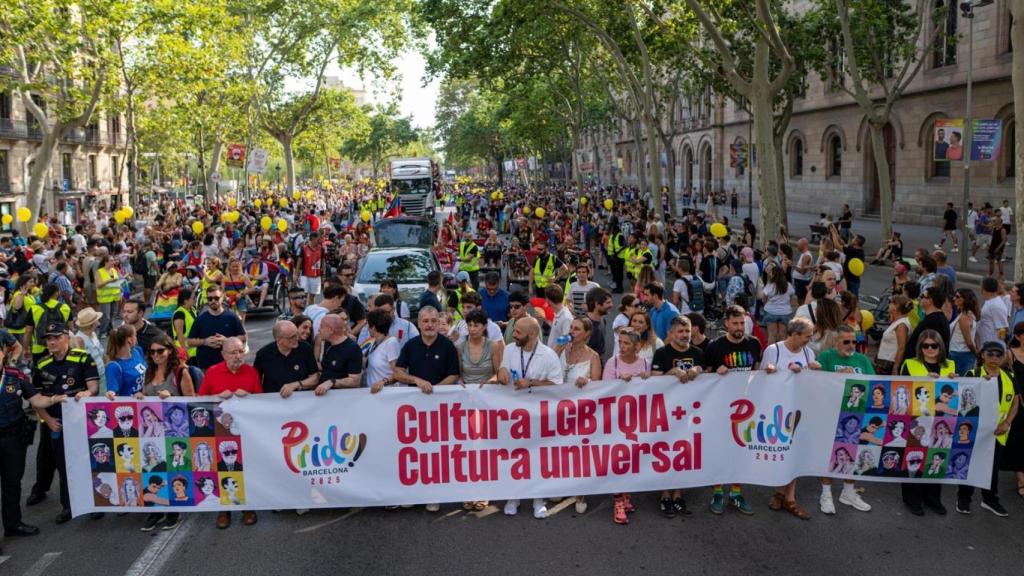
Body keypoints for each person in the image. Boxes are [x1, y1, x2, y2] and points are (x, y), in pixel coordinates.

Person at [29, 322, 99, 523]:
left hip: (81, 421)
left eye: (56, 337)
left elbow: (93, 387)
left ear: (67, 337)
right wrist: (48, 420)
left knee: (87, 462)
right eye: (49, 339)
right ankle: (68, 506)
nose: (52, 342)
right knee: (63, 465)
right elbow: (35, 399)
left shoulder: (82, 358)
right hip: (56, 423)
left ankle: (94, 504)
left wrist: (86, 392)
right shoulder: (41, 365)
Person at [0, 334, 64, 548]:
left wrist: (56, 398)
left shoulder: (15, 375)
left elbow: (36, 399)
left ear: (5, 353)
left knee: (12, 483)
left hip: (12, 438)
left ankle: (13, 524)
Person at [498, 316, 562, 519]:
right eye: (514, 330)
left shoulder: (549, 355)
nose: (513, 335)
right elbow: (503, 368)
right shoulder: (509, 349)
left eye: (518, 332)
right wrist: (501, 372)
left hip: (539, 415)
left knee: (537, 457)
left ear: (532, 334)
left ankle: (538, 499)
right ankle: (513, 496)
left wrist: (532, 383)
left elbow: (558, 386)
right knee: (514, 456)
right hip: (513, 414)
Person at [196, 337, 259, 529]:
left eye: (241, 352)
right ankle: (224, 510)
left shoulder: (252, 372)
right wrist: (216, 397)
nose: (238, 356)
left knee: (245, 469)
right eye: (233, 353)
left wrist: (249, 398)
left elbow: (263, 403)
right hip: (219, 432)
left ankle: (247, 507)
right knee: (222, 470)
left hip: (245, 432)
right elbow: (199, 402)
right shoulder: (213, 372)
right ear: (223, 355)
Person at [704, 305, 761, 516]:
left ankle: (736, 493)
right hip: (720, 409)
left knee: (741, 450)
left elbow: (756, 370)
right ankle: (717, 491)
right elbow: (704, 378)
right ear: (726, 323)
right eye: (735, 323)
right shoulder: (714, 346)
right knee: (719, 450)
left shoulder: (754, 344)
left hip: (746, 409)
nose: (739, 327)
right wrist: (714, 374)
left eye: (742, 323)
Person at [761, 318, 818, 520]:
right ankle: (778, 491)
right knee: (780, 451)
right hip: (777, 411)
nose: (809, 341)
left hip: (800, 411)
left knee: (794, 453)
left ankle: (790, 498)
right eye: (807, 336)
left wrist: (814, 372)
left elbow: (811, 382)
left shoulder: (808, 353)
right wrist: (771, 371)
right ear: (794, 334)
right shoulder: (773, 350)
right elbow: (762, 377)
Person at [815, 325, 874, 514]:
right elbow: (815, 384)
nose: (850, 346)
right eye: (846, 342)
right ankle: (826, 494)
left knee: (852, 454)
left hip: (856, 416)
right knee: (829, 455)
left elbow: (875, 385)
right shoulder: (826, 357)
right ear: (836, 342)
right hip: (830, 414)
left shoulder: (863, 360)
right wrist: (836, 377)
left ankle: (848, 492)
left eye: (853, 342)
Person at [649, 315, 702, 517]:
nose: (684, 335)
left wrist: (699, 369)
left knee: (684, 454)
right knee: (664, 453)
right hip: (666, 413)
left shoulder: (698, 353)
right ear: (671, 333)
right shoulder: (662, 353)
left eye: (687, 331)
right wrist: (671, 372)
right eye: (680, 331)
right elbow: (654, 381)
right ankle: (664, 494)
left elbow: (710, 379)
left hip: (690, 413)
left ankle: (678, 493)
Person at [899, 329, 956, 516]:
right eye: (926, 345)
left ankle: (933, 499)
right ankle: (912, 499)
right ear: (920, 347)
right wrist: (923, 381)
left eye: (934, 345)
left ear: (941, 346)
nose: (930, 349)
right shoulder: (909, 364)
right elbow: (902, 390)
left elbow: (959, 391)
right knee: (914, 458)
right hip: (918, 421)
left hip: (941, 422)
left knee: (935, 459)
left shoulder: (951, 366)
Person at [958, 341, 1018, 516]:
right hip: (974, 431)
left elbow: (1015, 402)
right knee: (970, 465)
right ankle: (963, 499)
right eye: (990, 354)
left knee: (992, 469)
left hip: (998, 432)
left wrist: (1007, 423)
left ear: (1004, 357)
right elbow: (962, 399)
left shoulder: (1009, 377)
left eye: (998, 355)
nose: (994, 358)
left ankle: (989, 500)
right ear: (982, 355)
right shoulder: (973, 373)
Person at [187, 286, 247, 371]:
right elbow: (189, 341)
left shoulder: (232, 317)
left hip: (228, 365)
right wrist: (205, 341)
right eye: (210, 299)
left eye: (216, 298)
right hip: (206, 367)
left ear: (222, 297)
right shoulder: (200, 319)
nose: (213, 301)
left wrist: (227, 340)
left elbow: (243, 337)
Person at [254, 320, 320, 396]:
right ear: (278, 339)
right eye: (292, 337)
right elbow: (255, 380)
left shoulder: (305, 349)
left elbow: (315, 378)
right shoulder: (263, 354)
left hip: (300, 398)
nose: (296, 339)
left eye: (296, 335)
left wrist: (296, 385)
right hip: (273, 400)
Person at [25, 283, 72, 361]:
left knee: (40, 370)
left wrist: (26, 348)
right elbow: (70, 329)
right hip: (61, 347)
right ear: (56, 293)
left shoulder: (34, 308)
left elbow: (28, 331)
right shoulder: (65, 307)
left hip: (39, 348)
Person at [316, 314, 363, 391]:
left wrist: (332, 382)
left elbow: (355, 381)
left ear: (331, 330)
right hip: (323, 394)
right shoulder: (327, 343)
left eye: (321, 326)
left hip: (340, 397)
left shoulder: (352, 349)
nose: (319, 330)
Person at [103, 325, 146, 399]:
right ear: (129, 340)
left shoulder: (137, 351)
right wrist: (110, 394)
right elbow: (113, 393)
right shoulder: (114, 367)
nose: (136, 338)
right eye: (135, 335)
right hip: (130, 407)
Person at [71, 307, 106, 393]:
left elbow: (101, 352)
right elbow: (80, 365)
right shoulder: (79, 339)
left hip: (102, 374)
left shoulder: (93, 334)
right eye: (96, 320)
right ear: (91, 324)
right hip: (93, 379)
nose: (98, 322)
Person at [906, 287, 950, 353]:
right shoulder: (935, 318)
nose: (920, 298)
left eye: (922, 296)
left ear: (930, 301)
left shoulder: (933, 321)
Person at [365, 309, 401, 393]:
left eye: (367, 324)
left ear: (373, 327)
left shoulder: (391, 343)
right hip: (372, 394)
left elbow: (398, 373)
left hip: (386, 394)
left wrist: (383, 382)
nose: (366, 327)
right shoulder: (373, 342)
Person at [977, 277, 1008, 346]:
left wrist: (998, 346)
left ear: (983, 289)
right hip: (986, 345)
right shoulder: (990, 302)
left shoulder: (996, 305)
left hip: (993, 348)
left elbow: (1002, 328)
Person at [297, 231, 323, 306]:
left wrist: (323, 274)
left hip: (316, 276)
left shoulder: (321, 249)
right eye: (318, 239)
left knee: (312, 296)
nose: (319, 241)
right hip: (305, 275)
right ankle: (303, 311)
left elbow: (323, 261)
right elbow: (299, 261)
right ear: (312, 239)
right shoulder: (304, 249)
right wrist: (296, 275)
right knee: (304, 295)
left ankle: (310, 312)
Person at [171, 288, 197, 363]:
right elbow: (179, 334)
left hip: (194, 350)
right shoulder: (179, 313)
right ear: (186, 301)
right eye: (193, 298)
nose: (195, 300)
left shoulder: (192, 310)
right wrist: (184, 350)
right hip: (186, 352)